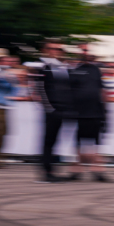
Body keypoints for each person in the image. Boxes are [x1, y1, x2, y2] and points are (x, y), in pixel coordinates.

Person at [35, 39, 76, 183]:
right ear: (45, 50)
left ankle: (55, 170)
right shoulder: (41, 66)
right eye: (52, 48)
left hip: (66, 108)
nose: (56, 52)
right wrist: (49, 108)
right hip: (52, 109)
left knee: (59, 140)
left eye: (59, 49)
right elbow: (38, 89)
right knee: (49, 140)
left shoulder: (64, 67)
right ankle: (46, 172)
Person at [69, 44, 111, 182]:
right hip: (79, 112)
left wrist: (105, 111)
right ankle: (77, 170)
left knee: (95, 143)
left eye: (88, 51)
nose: (86, 53)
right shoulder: (73, 70)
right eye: (84, 51)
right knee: (79, 143)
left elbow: (102, 91)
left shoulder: (96, 70)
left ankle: (98, 170)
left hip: (96, 112)